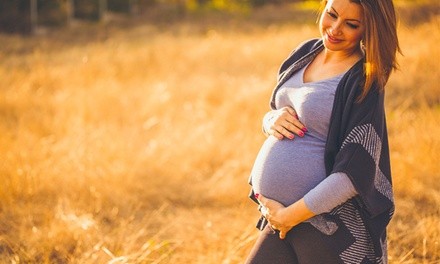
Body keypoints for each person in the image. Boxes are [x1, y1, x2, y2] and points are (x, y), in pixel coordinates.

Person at [246, 0, 400, 263]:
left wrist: (290, 215)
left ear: (368, 30)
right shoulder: (306, 52)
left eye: (351, 25)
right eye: (332, 14)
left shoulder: (364, 80)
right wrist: (269, 120)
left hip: (326, 224)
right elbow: (278, 110)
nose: (335, 29)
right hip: (281, 217)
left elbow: (356, 171)